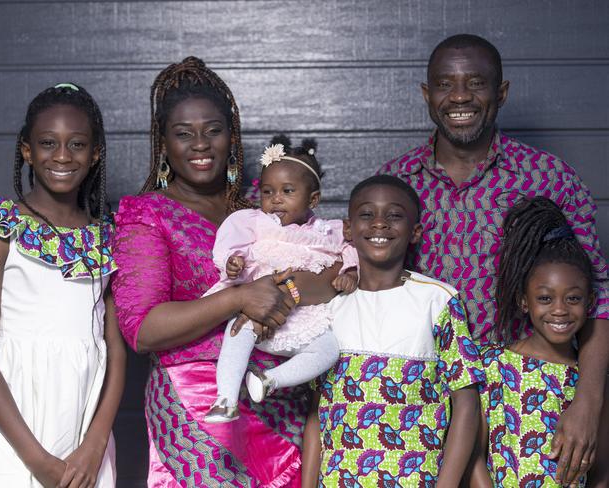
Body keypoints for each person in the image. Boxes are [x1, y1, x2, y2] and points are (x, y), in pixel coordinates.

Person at [377, 33, 609, 484]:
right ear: (427, 94)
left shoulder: (550, 178)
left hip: (531, 393)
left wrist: (589, 399)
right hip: (424, 392)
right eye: (445, 84)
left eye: (477, 83)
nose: (460, 96)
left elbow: (598, 297)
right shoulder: (394, 185)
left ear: (500, 93)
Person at [112, 57, 341, 487]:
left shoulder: (263, 204)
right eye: (184, 134)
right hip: (200, 403)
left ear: (230, 137)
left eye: (213, 131)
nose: (200, 144)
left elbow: (328, 268)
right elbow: (142, 331)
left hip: (281, 397)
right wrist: (238, 298)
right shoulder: (147, 215)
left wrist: (285, 289)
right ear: (163, 143)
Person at [0, 83, 125, 487]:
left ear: (96, 152)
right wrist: (39, 461)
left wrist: (96, 441)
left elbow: (115, 349)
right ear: (27, 150)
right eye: (48, 143)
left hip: (84, 426)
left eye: (78, 144)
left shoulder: (108, 240)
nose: (63, 156)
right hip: (7, 429)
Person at [302, 175, 484, 487]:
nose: (380, 224)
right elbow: (317, 411)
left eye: (395, 215)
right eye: (367, 214)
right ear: (348, 229)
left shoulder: (438, 300)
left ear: (414, 232)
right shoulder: (330, 307)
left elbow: (466, 402)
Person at [204, 136, 358, 423]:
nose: (275, 199)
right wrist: (232, 263)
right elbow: (230, 245)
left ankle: (268, 380)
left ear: (312, 199)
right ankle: (225, 398)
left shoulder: (327, 230)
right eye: (267, 191)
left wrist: (350, 270)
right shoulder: (254, 222)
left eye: (287, 191)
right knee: (236, 332)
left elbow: (350, 248)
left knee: (328, 349)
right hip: (256, 311)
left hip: (302, 318)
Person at [467, 196, 608, 487]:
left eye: (573, 299)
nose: (559, 309)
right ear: (524, 301)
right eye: (545, 298)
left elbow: (601, 472)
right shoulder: (492, 365)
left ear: (590, 302)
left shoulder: (590, 384)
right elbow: (474, 457)